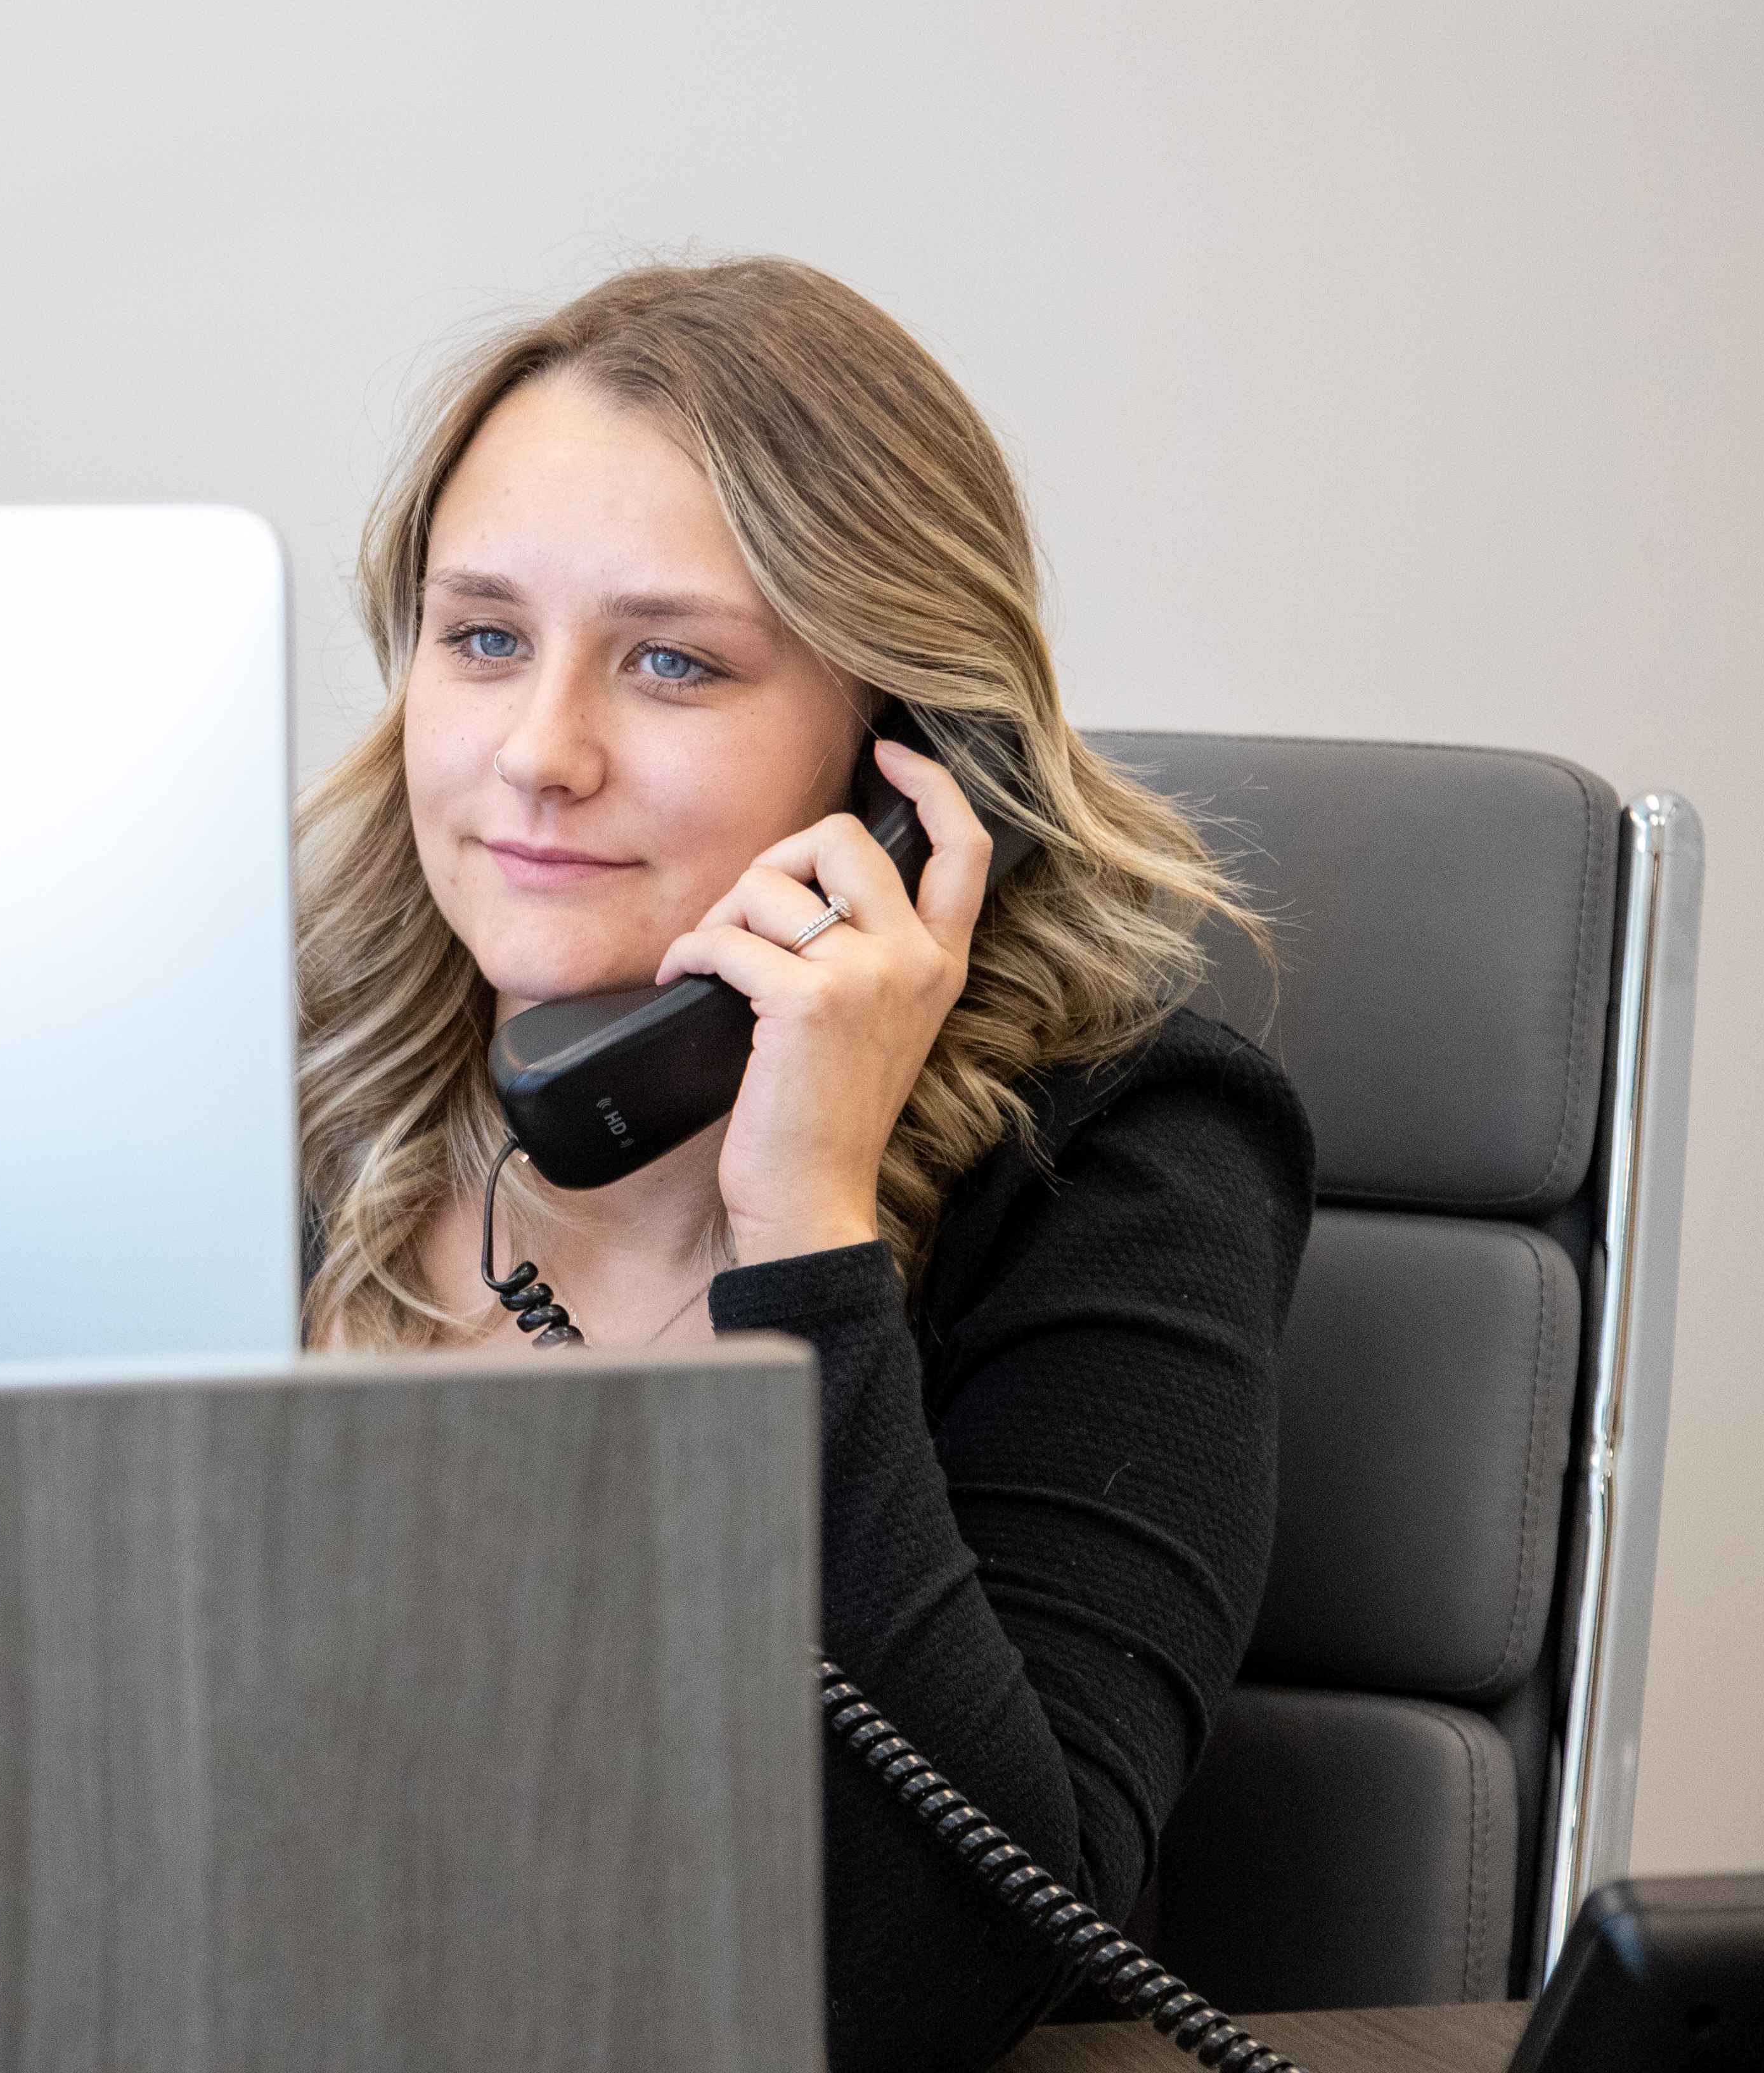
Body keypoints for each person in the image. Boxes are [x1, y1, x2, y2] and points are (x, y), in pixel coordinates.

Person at [293, 257, 1315, 2069]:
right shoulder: (272, 1108)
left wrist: (808, 1242)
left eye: (673, 662)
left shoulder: (1122, 1163)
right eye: (483, 638)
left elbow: (931, 1981)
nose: (540, 753)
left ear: (901, 753)